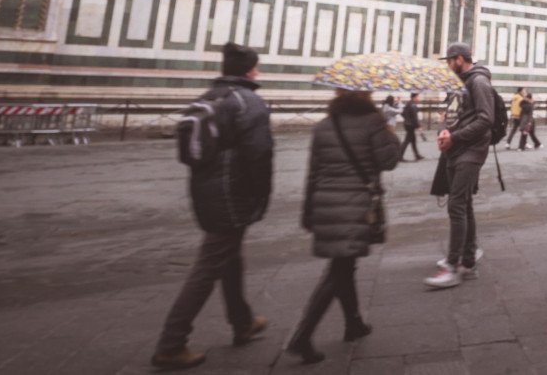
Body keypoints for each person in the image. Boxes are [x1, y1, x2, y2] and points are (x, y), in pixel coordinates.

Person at [152, 42, 274, 370]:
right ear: (250, 70)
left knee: (229, 257)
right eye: (256, 67)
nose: (258, 71)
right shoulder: (248, 101)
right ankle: (171, 343)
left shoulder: (208, 98)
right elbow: (259, 155)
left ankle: (242, 321)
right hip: (232, 195)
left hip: (205, 192)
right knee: (209, 266)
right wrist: (260, 196)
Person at [287, 88, 402, 364]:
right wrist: (388, 132)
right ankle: (302, 336)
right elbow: (388, 161)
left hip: (324, 204)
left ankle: (354, 323)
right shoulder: (373, 122)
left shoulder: (324, 125)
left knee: (344, 265)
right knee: (338, 270)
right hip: (355, 205)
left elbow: (312, 174)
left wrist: (308, 211)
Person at [425, 43, 495, 289]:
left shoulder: (478, 82)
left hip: (471, 151)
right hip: (456, 150)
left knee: (456, 205)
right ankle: (469, 257)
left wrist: (455, 137)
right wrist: (445, 131)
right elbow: (455, 116)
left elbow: (486, 119)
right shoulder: (458, 83)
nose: (447, 65)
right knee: (463, 203)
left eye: (449, 60)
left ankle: (452, 265)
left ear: (459, 59)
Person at [400, 93, 423, 161]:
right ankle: (399, 156)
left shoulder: (408, 103)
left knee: (413, 140)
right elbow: (414, 117)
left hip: (407, 124)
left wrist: (407, 119)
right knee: (407, 141)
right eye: (418, 97)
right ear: (414, 97)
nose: (418, 99)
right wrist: (418, 126)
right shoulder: (413, 105)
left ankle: (417, 155)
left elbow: (402, 113)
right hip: (411, 125)